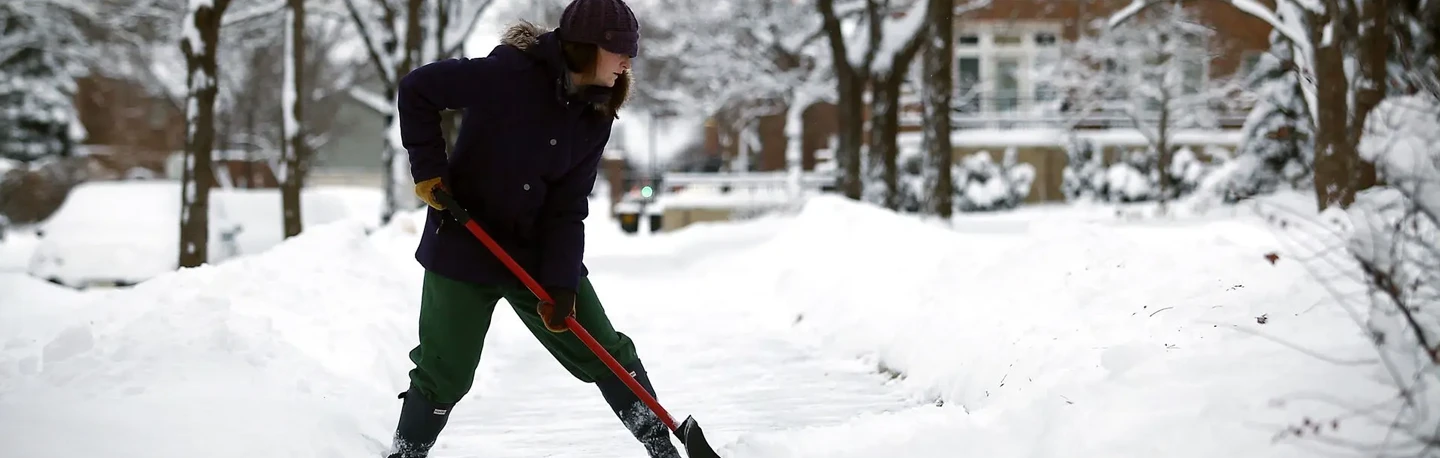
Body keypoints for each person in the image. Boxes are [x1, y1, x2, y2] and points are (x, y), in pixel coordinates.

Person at [383, 1, 680, 457]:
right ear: (585, 48)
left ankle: (662, 446)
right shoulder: (507, 76)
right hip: (464, 241)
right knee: (446, 371)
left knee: (603, 348)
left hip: (534, 253)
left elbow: (567, 206)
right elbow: (418, 89)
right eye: (619, 50)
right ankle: (406, 452)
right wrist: (429, 169)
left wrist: (561, 284)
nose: (627, 63)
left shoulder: (594, 117)